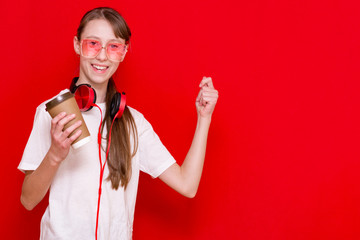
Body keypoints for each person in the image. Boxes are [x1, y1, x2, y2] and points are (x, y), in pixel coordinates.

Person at [18, 7, 218, 240]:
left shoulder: (134, 123)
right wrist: (54, 154)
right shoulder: (52, 112)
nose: (102, 56)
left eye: (113, 46)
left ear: (123, 53)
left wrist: (204, 118)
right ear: (77, 44)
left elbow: (187, 185)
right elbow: (28, 201)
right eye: (93, 43)